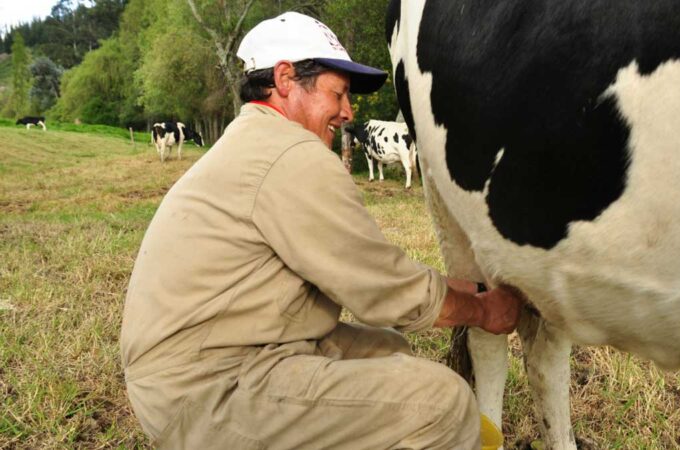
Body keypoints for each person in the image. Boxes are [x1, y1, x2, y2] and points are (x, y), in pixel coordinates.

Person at [120, 11, 524, 450]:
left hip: (216, 355)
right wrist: (484, 311)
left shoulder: (256, 141)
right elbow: (384, 290)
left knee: (388, 349)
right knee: (442, 403)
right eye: (339, 93)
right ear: (285, 79)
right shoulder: (292, 155)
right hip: (205, 389)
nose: (348, 112)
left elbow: (369, 270)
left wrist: (469, 287)